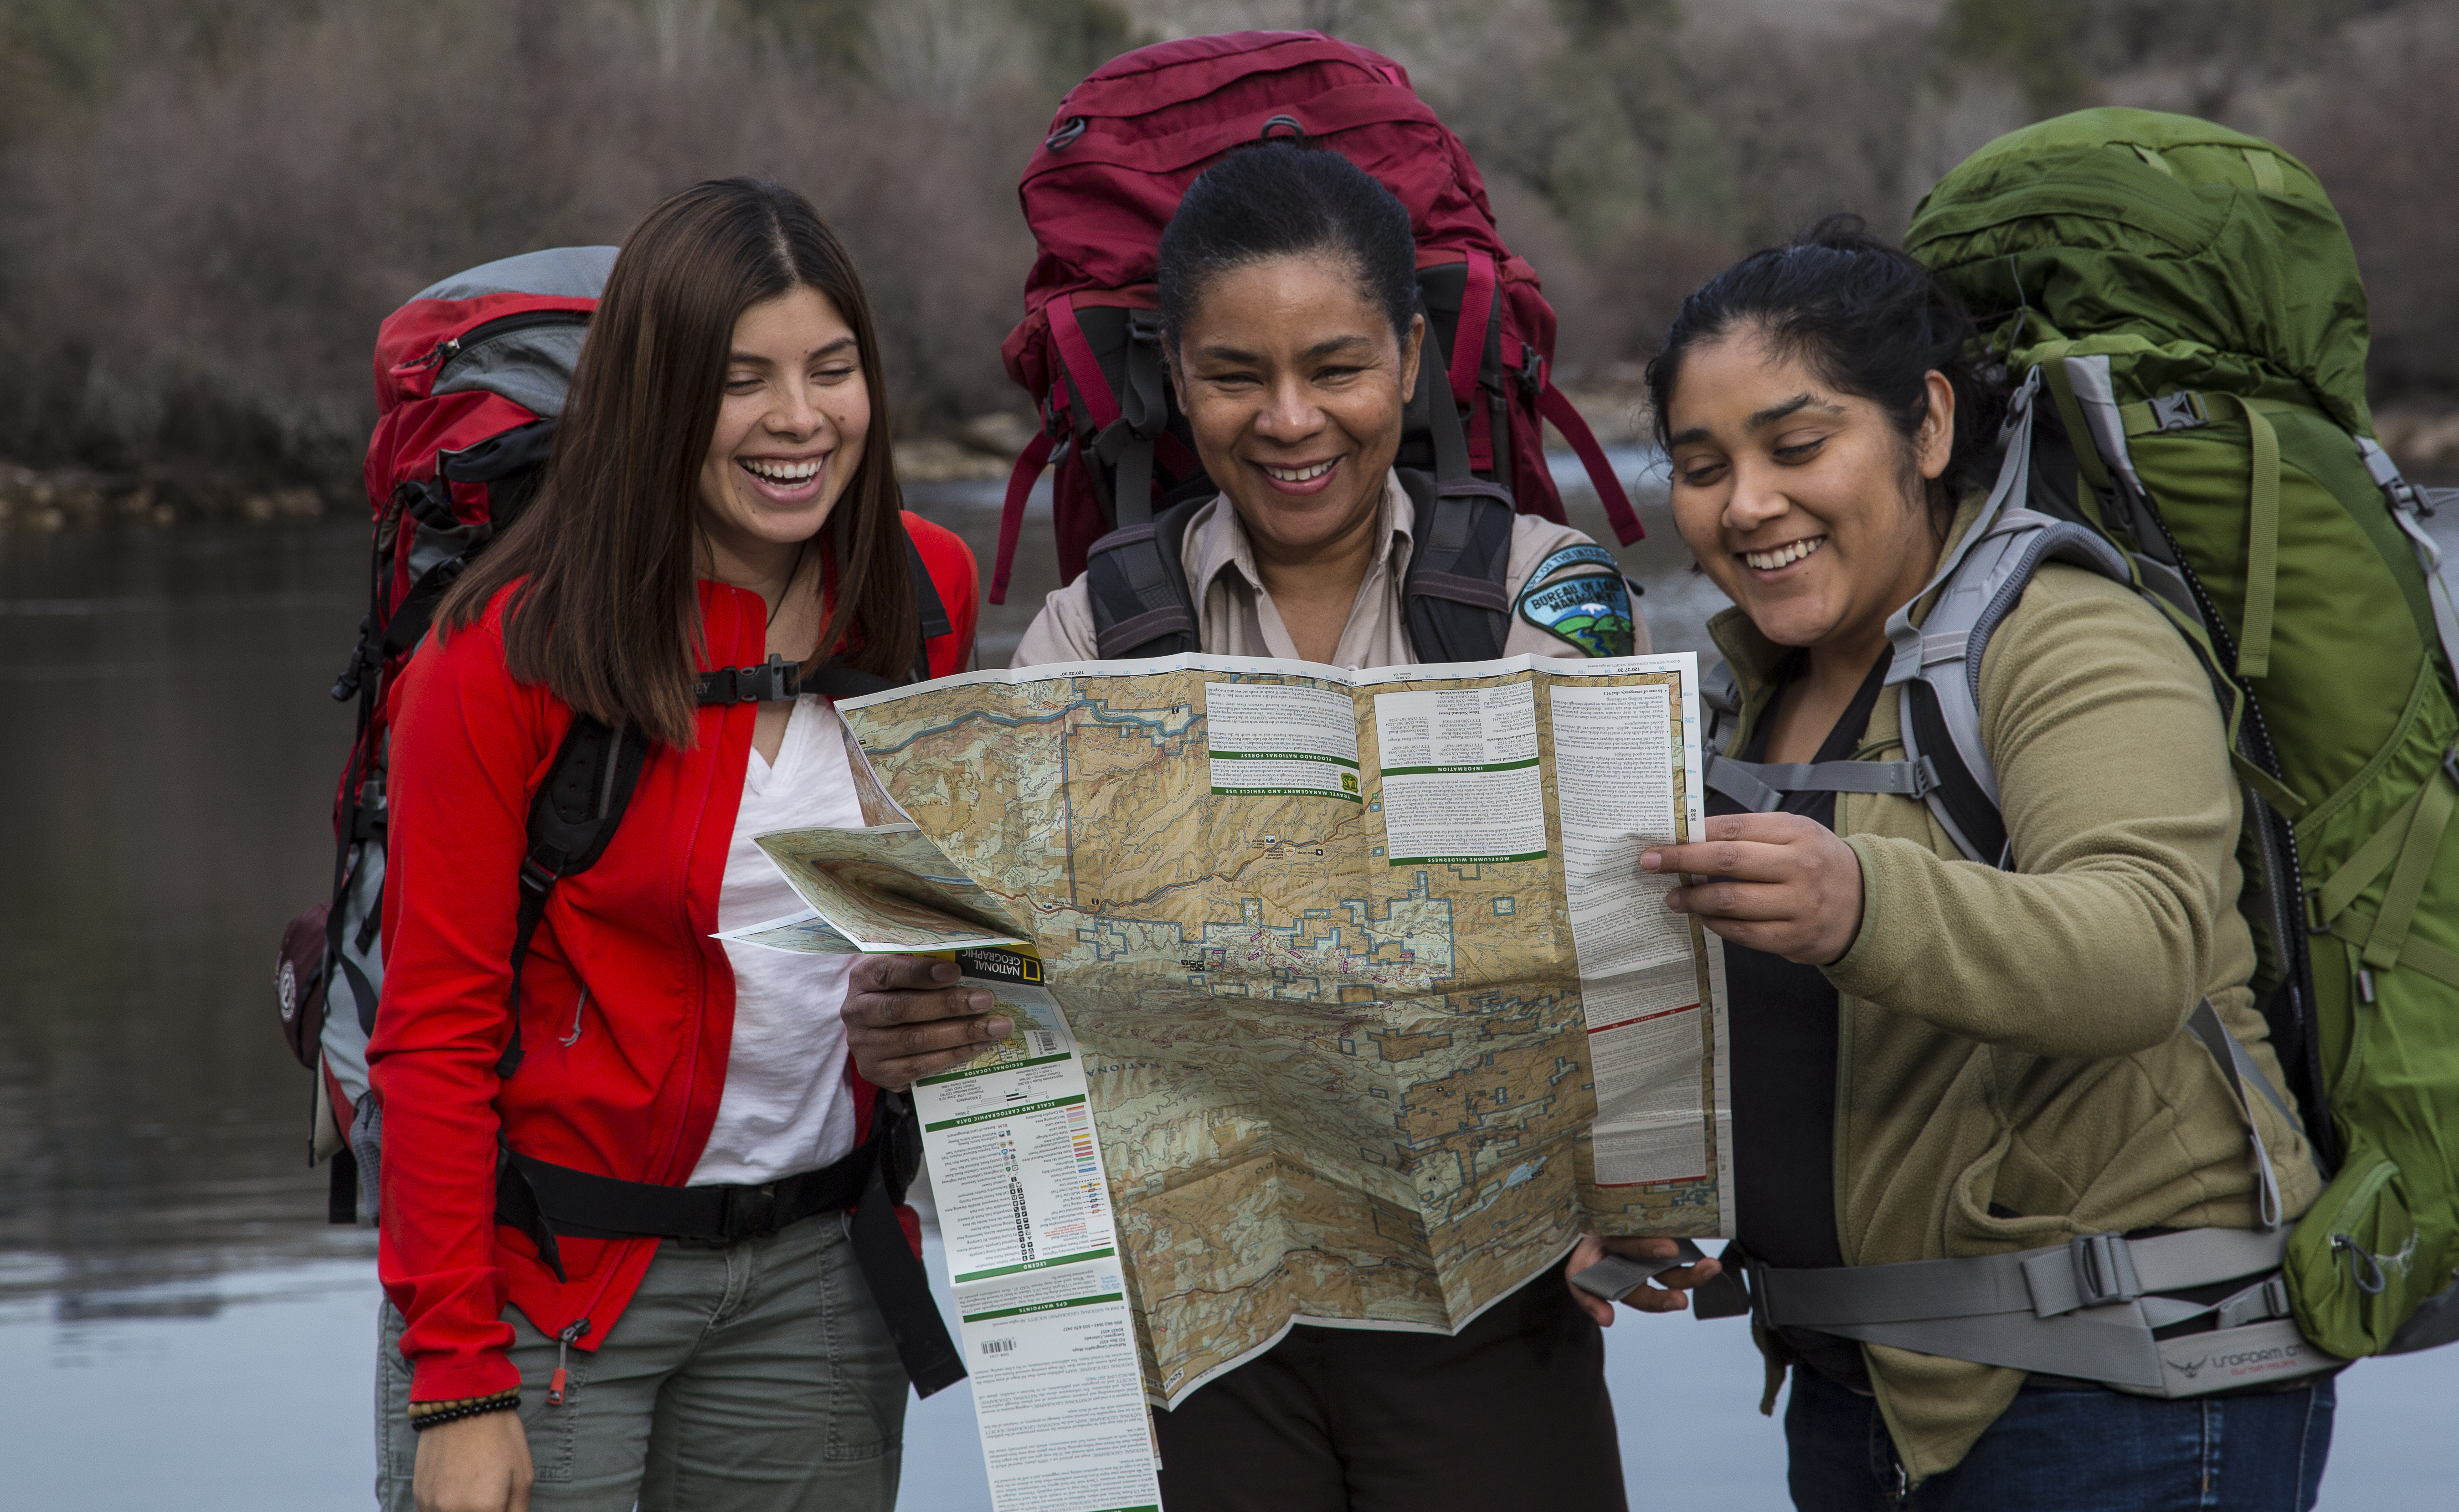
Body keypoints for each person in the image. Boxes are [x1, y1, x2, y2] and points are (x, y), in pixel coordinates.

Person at [841, 143, 1667, 1512]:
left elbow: (1636, 942)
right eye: (1237, 376)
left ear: (1409, 358)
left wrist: (1637, 1185)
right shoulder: (1090, 639)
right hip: (1204, 1331)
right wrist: (918, 1026)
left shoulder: (1540, 600)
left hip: (1496, 1305)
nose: (1291, 420)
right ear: (1175, 379)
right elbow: (1010, 981)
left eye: (1336, 368)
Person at [1630, 221, 2331, 1508]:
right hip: (1859, 1401)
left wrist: (1862, 903)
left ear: (1931, 427)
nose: (1745, 504)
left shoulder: (2068, 639)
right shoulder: (1749, 698)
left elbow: (2144, 947)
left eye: (1797, 447)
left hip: (2120, 1400)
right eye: (1699, 464)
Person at [369, 177, 980, 1512]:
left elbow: (918, 910)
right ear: (656, 400)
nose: (799, 419)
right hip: (550, 1290)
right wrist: (462, 1386)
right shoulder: (504, 654)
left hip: (821, 1268)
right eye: (741, 379)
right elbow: (432, 1035)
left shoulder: (923, 588)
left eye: (833, 369)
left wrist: (926, 1000)